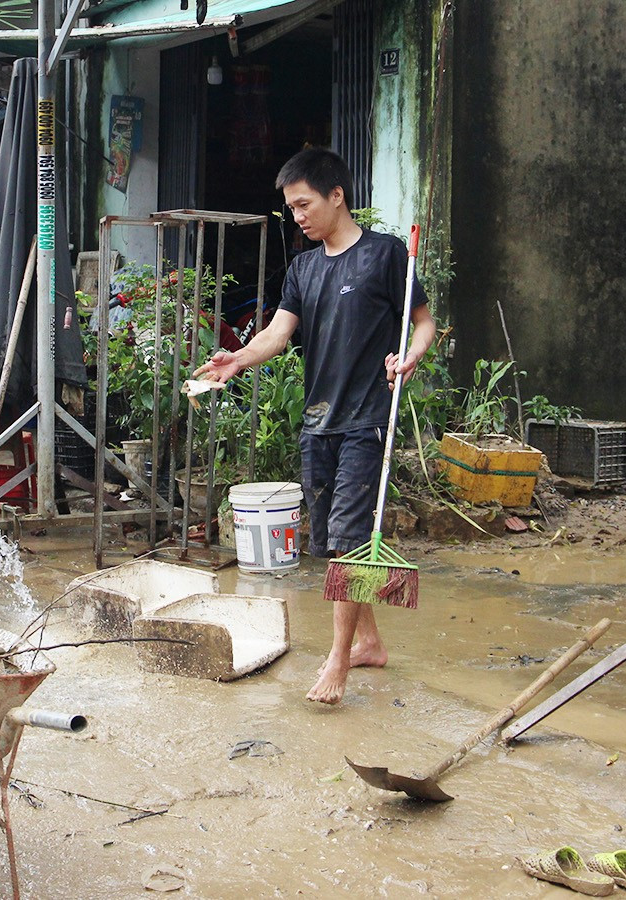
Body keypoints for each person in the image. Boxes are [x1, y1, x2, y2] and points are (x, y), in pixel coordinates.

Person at [195, 148, 439, 704]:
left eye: (304, 204)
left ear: (336, 196)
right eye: (291, 208)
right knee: (334, 542)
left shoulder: (385, 255)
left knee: (351, 542)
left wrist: (409, 358)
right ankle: (369, 641)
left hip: (366, 418)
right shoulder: (304, 270)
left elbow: (422, 323)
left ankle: (338, 659)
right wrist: (236, 358)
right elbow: (276, 336)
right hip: (319, 421)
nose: (297, 216)